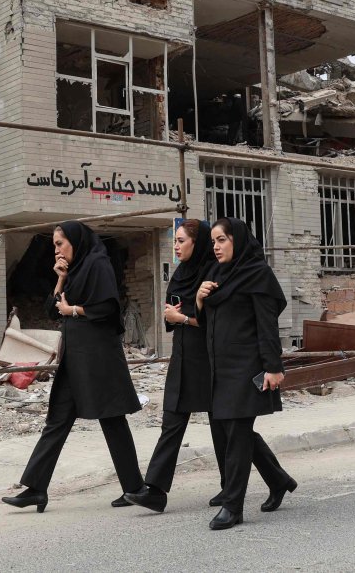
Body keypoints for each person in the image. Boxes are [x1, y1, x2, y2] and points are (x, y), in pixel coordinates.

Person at [2, 221, 144, 513]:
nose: (56, 250)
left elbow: (107, 308)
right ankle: (35, 489)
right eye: (54, 245)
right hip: (74, 358)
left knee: (112, 418)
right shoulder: (75, 270)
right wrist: (60, 280)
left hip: (98, 358)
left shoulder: (97, 264)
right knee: (57, 419)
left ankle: (135, 488)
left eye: (60, 243)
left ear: (76, 242)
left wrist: (74, 310)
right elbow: (50, 311)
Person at [196, 217, 297, 531]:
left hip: (247, 366)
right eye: (213, 240)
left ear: (237, 240)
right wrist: (200, 300)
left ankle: (233, 506)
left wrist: (273, 367)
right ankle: (278, 481)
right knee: (232, 432)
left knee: (237, 435)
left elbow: (267, 326)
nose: (216, 246)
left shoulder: (257, 275)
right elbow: (206, 322)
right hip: (220, 367)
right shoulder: (215, 275)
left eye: (222, 239)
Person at [123, 219, 217, 513]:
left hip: (211, 360)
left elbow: (218, 321)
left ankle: (255, 482)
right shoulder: (180, 274)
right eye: (174, 241)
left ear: (196, 243)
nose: (175, 246)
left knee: (228, 427)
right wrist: (173, 316)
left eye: (181, 241)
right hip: (183, 357)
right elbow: (169, 317)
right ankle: (156, 490)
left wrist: (185, 318)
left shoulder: (213, 273)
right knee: (172, 421)